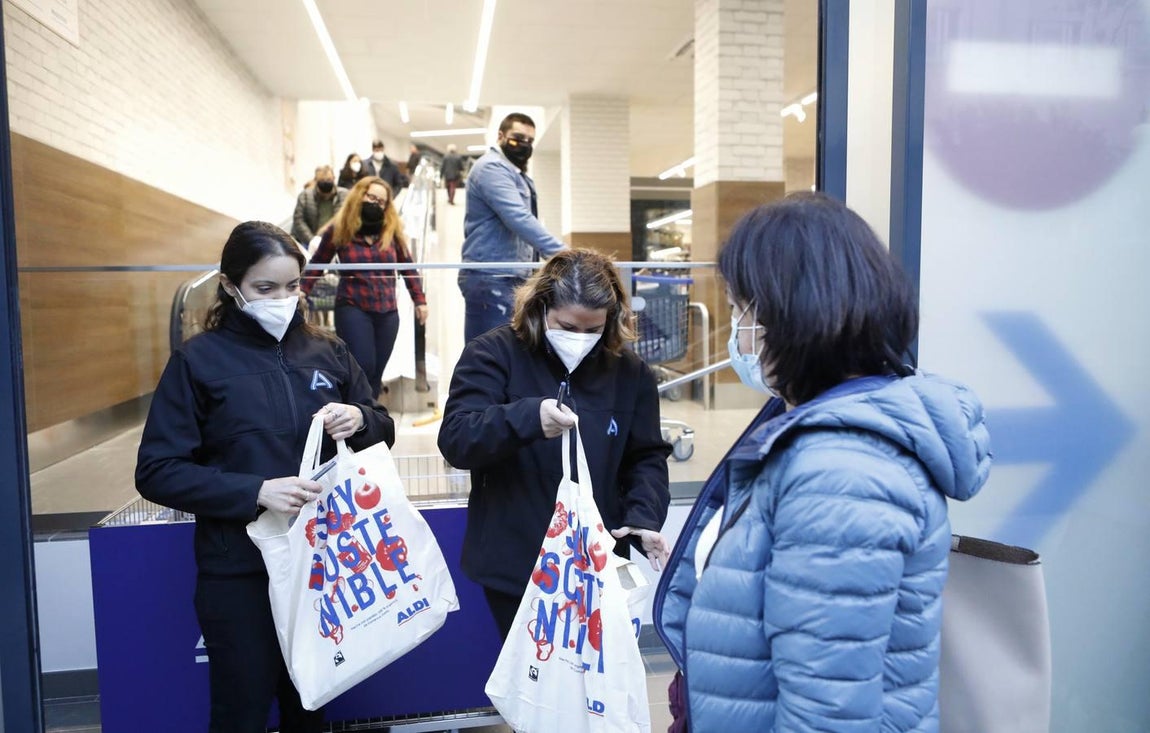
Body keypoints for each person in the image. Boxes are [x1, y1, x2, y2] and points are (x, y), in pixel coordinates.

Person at [652, 193, 992, 732]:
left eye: (742, 308)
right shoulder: (809, 429)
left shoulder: (842, 472)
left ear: (792, 312)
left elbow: (828, 716)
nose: (737, 329)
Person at [135, 221, 395, 733]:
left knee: (312, 705)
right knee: (242, 710)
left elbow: (380, 426)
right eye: (265, 288)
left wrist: (362, 419)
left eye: (293, 286)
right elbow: (158, 471)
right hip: (239, 571)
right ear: (231, 286)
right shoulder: (198, 361)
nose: (283, 299)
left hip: (325, 565)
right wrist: (254, 492)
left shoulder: (329, 351)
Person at [438, 248, 672, 640]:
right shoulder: (492, 354)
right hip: (516, 560)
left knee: (592, 690)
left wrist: (644, 516)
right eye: (567, 326)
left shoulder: (630, 372)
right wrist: (527, 418)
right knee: (530, 689)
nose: (580, 340)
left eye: (592, 330)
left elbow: (646, 455)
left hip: (597, 560)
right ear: (540, 308)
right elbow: (457, 439)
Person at [303, 177, 428, 399]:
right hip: (353, 307)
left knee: (376, 372)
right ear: (359, 195)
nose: (375, 203)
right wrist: (301, 291)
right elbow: (318, 262)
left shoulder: (392, 232)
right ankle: (359, 419)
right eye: (371, 197)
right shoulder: (340, 229)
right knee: (363, 366)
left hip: (387, 311)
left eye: (381, 202)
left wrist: (420, 300)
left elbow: (407, 267)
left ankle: (369, 422)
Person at [459, 112, 566, 343]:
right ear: (500, 136)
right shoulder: (492, 169)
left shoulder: (515, 174)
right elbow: (517, 217)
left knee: (508, 355)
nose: (524, 144)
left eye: (530, 140)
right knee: (488, 355)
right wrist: (563, 254)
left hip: (510, 275)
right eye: (518, 137)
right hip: (492, 275)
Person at [291, 165, 347, 247]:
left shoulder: (343, 194)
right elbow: (299, 220)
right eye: (322, 180)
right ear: (316, 180)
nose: (325, 182)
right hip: (310, 240)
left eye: (328, 179)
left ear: (334, 178)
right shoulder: (305, 195)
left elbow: (343, 217)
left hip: (336, 240)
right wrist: (312, 240)